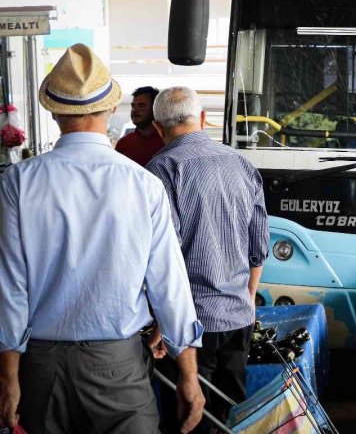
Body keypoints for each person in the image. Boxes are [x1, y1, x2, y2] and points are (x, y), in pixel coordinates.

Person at [0, 44, 204, 434]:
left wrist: (9, 380)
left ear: (56, 112)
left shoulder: (17, 183)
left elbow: (10, 288)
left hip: (40, 368)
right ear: (111, 109)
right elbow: (170, 286)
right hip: (119, 368)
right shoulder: (143, 184)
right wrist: (188, 374)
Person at [146, 86, 269, 431]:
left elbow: (163, 258)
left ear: (158, 127)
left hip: (189, 326)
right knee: (232, 416)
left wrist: (161, 319)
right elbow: (259, 244)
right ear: (202, 119)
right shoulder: (241, 163)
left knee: (188, 419)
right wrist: (248, 298)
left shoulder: (160, 170)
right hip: (237, 319)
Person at [115, 85, 165, 166]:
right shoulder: (124, 143)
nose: (135, 110)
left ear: (154, 108)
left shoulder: (167, 141)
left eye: (141, 105)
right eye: (133, 105)